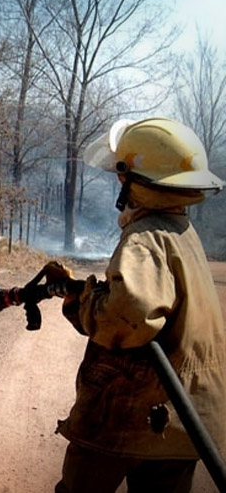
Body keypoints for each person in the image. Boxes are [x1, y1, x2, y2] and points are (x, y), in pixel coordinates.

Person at [54, 117, 226, 492]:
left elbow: (129, 318)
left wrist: (83, 305)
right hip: (185, 421)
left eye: (122, 175)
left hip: (133, 412)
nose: (119, 183)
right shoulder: (181, 232)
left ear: (136, 180)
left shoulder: (145, 239)